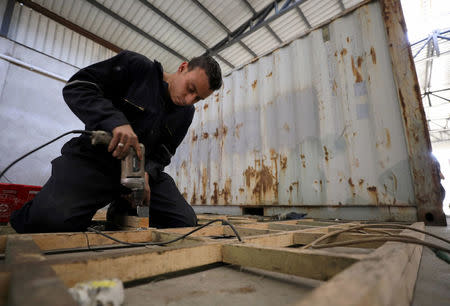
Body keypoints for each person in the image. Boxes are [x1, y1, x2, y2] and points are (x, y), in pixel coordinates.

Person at [10, 50, 222, 233]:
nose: (188, 100)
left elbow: (164, 153)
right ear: (183, 67)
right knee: (49, 222)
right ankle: (47, 208)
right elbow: (78, 86)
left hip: (137, 176)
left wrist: (147, 173)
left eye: (197, 98)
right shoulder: (137, 68)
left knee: (184, 223)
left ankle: (122, 209)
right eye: (191, 88)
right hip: (95, 162)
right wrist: (115, 121)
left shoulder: (185, 113)